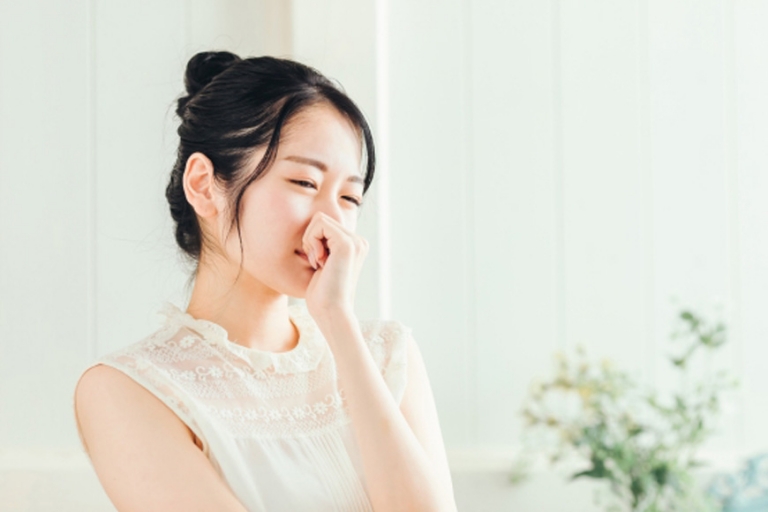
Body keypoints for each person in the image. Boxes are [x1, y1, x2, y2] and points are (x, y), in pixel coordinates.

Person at [73, 51, 457, 512]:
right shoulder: (129, 390)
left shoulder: (387, 354)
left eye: (350, 196)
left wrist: (338, 322)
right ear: (203, 184)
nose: (332, 221)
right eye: (304, 183)